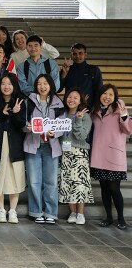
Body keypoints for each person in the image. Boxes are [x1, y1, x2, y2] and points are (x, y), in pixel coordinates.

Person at [90, 84, 132, 230]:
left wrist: (124, 116)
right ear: (100, 95)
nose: (107, 97)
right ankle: (108, 217)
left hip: (114, 155)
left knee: (114, 188)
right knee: (104, 188)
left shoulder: (118, 110)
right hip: (99, 156)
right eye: (105, 94)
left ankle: (121, 218)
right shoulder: (94, 111)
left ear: (115, 97)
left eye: (111, 95)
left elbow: (128, 130)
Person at [24, 74, 64, 224]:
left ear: (51, 85)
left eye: (45, 83)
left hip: (51, 147)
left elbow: (62, 125)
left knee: (51, 182)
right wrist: (27, 127)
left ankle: (51, 213)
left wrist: (56, 133)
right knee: (34, 181)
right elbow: (23, 122)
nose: (42, 86)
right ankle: (36, 212)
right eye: (39, 83)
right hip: (33, 145)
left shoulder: (58, 102)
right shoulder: (29, 101)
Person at [0, 73, 26, 224]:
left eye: (9, 84)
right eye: (3, 83)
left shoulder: (20, 101)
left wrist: (16, 113)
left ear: (14, 86)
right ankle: (1, 209)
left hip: (15, 144)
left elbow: (21, 125)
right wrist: (2, 113)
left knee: (15, 176)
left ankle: (12, 210)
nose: (6, 87)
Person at [59, 88, 93, 225]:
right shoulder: (62, 115)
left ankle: (80, 213)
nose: (71, 100)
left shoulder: (85, 116)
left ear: (80, 101)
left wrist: (78, 120)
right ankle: (72, 212)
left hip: (79, 152)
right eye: (69, 97)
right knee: (67, 183)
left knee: (79, 183)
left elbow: (81, 136)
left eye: (75, 98)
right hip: (65, 152)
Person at [59, 43, 103, 109]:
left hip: (87, 109)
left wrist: (94, 108)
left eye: (80, 53)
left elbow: (99, 90)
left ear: (85, 55)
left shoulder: (94, 70)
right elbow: (58, 89)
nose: (77, 56)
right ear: (71, 55)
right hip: (69, 108)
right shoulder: (66, 70)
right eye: (75, 54)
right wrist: (63, 74)